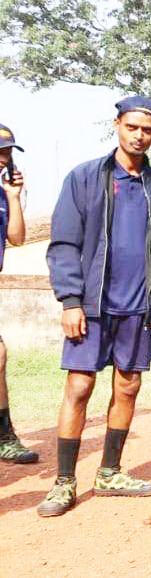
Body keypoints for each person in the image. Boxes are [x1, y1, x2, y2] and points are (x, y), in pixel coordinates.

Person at [37, 96, 151, 517]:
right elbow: (64, 244)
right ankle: (64, 482)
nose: (140, 136)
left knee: (128, 385)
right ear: (117, 125)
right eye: (133, 127)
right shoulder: (84, 179)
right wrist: (71, 301)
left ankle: (110, 473)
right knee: (80, 386)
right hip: (92, 306)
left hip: (139, 308)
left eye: (148, 131)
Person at [0, 123, 35, 464]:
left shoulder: (2, 195)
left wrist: (13, 198)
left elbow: (19, 238)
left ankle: (4, 436)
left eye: (7, 152)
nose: (3, 159)